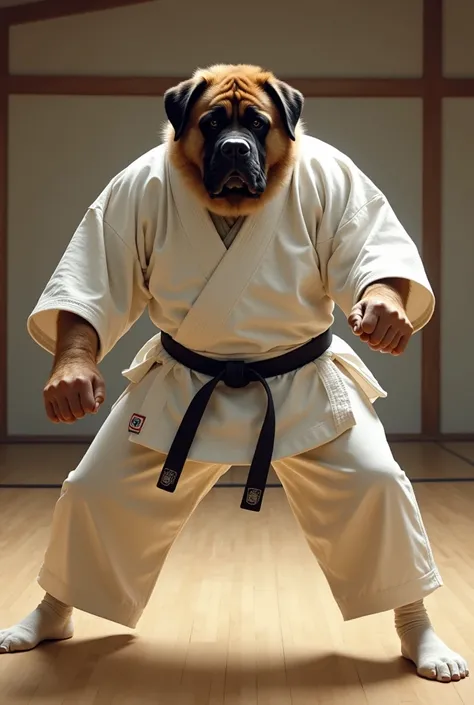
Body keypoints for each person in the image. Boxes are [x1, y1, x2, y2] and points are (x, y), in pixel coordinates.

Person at [0, 64, 469, 683]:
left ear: (287, 127)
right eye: (213, 126)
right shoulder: (146, 182)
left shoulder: (322, 172)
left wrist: (381, 293)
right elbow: (94, 273)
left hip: (300, 380)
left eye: (255, 126)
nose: (234, 142)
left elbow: (371, 247)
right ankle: (55, 608)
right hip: (185, 381)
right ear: (181, 126)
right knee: (94, 489)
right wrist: (76, 356)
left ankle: (415, 623)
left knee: (378, 482)